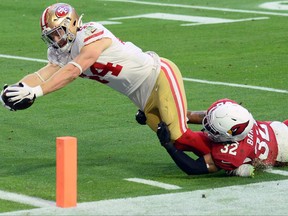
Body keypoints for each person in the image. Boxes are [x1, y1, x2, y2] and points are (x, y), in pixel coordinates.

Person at [0, 3, 209, 155]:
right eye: (51, 36)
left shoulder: (90, 32)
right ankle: (220, 141)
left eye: (58, 32)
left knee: (179, 134)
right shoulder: (60, 51)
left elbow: (73, 70)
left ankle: (233, 150)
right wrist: (18, 88)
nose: (56, 40)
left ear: (71, 23)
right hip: (140, 95)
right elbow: (44, 73)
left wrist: (37, 92)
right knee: (176, 142)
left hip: (156, 74)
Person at [156, 98, 288, 177]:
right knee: (185, 139)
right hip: (277, 129)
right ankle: (237, 168)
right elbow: (196, 116)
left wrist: (168, 145)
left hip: (282, 149)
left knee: (183, 140)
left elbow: (194, 167)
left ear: (230, 137)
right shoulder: (234, 117)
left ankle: (236, 168)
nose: (207, 127)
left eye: (213, 129)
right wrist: (157, 114)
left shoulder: (232, 152)